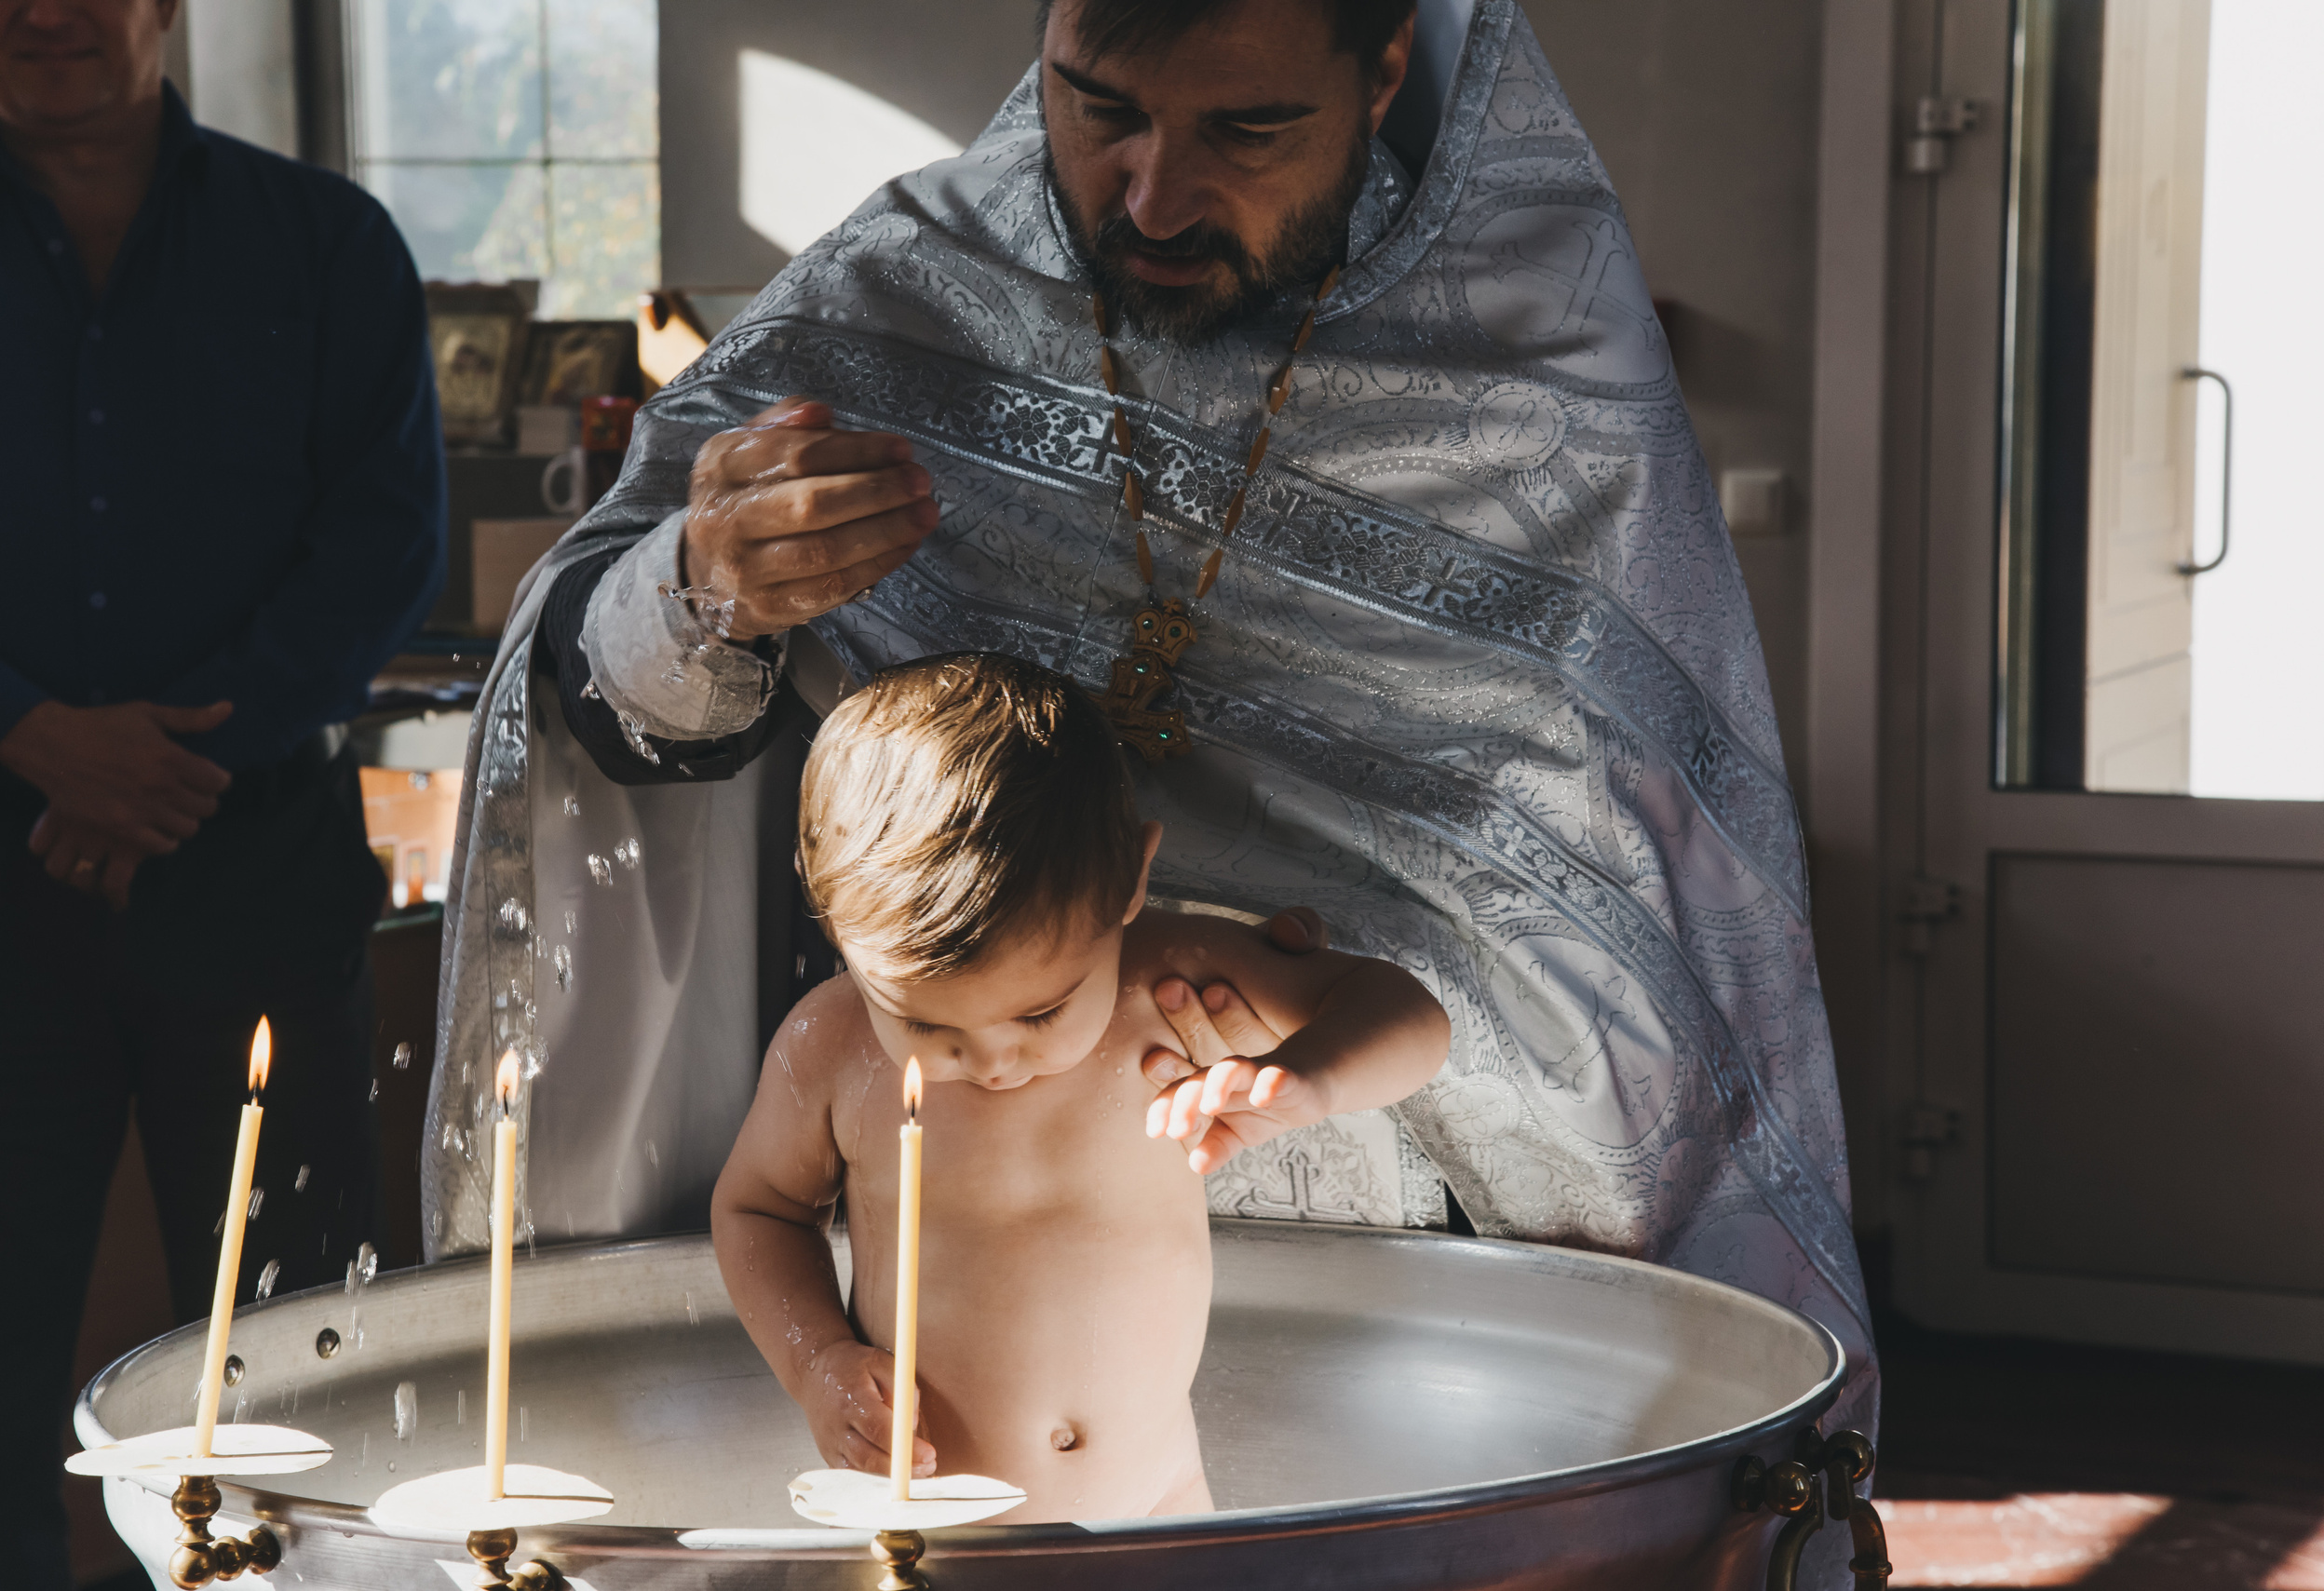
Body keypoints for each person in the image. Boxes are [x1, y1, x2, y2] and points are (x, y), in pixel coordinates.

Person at [429, 2, 1877, 1568]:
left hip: (1431, 1224)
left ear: (1383, 68)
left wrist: (1316, 1062)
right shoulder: (909, 295)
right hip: (955, 1193)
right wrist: (703, 580)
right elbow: (589, 673)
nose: (1152, 197)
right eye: (1096, 107)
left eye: (1244, 131)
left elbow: (1596, 853)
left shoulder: (1526, 339)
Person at [0, 2, 444, 1585]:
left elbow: (381, 548)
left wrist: (166, 765)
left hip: (256, 863)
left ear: (164, 7)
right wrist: (29, 735)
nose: (45, 14)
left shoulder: (325, 241)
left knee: (300, 1325)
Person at [712, 652, 1448, 1519]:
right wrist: (817, 1361)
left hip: (1160, 1507)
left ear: (1129, 881)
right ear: (838, 928)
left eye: (1041, 1011)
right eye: (928, 1027)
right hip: (932, 1528)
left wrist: (1311, 1078)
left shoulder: (1162, 985)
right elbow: (759, 1210)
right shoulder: (833, 1044)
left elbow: (1409, 1016)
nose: (991, 1061)